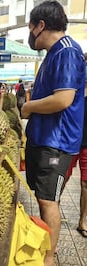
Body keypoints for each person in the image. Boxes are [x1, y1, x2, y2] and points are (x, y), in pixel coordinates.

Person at [21, 1, 86, 266]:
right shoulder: (53, 53)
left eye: (30, 28)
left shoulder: (68, 52)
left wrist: (27, 107)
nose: (29, 34)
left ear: (41, 25)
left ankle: (49, 264)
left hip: (57, 143)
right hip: (43, 138)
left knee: (49, 201)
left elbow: (62, 99)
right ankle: (49, 245)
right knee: (44, 197)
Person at [65, 53, 87, 239]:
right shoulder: (72, 87)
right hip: (70, 140)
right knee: (61, 179)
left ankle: (83, 220)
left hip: (85, 143)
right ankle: (51, 214)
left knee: (86, 182)